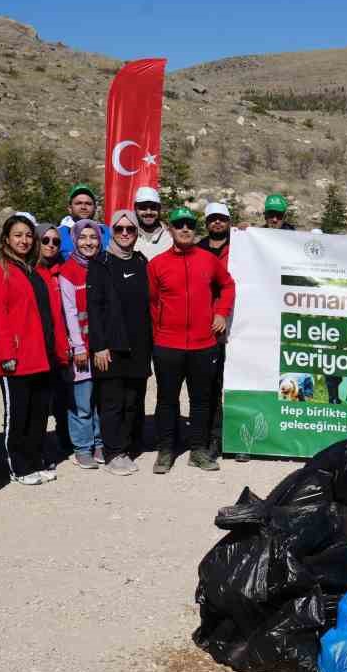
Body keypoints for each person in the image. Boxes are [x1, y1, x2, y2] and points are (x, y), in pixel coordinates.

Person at [148, 207, 235, 472]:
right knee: (167, 399)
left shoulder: (208, 259)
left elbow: (228, 285)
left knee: (201, 400)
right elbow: (152, 303)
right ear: (171, 229)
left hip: (203, 343)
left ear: (195, 229)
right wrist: (159, 335)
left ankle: (197, 450)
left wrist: (221, 312)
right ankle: (166, 450)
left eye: (189, 224)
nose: (185, 229)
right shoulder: (157, 264)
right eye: (179, 225)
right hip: (168, 345)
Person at [0, 213, 69, 484]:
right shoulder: (2, 270)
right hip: (17, 358)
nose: (23, 240)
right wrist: (6, 354)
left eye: (27, 235)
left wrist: (58, 349)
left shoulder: (34, 270)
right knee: (19, 414)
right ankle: (19, 466)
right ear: (6, 239)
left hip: (41, 355)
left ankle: (35, 460)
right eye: (17, 235)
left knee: (37, 415)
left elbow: (49, 314)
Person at [84, 209, 152, 477]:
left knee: (132, 400)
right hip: (110, 347)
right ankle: (113, 452)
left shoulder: (141, 262)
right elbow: (94, 307)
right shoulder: (101, 263)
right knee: (111, 402)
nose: (125, 233)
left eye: (130, 229)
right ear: (111, 231)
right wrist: (99, 345)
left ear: (136, 233)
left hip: (138, 345)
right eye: (119, 229)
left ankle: (126, 446)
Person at [57, 218, 104, 469]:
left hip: (101, 346)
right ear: (75, 240)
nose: (89, 242)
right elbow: (70, 311)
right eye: (83, 238)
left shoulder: (101, 266)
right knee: (82, 401)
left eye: (93, 237)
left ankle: (99, 442)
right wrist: (79, 347)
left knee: (99, 398)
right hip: (82, 348)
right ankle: (82, 447)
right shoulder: (68, 271)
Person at [199, 202, 234, 458]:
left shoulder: (242, 244)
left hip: (239, 323)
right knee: (211, 385)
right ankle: (213, 437)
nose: (217, 223)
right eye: (213, 219)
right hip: (207, 327)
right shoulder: (198, 248)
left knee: (237, 382)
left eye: (222, 218)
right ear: (207, 222)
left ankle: (238, 436)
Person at [132, 187, 172, 260]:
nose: (148, 212)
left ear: (159, 208)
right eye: (143, 207)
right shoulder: (127, 236)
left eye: (153, 207)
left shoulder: (171, 237)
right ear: (135, 208)